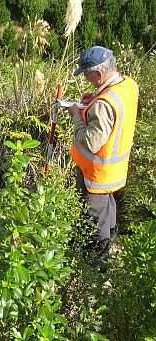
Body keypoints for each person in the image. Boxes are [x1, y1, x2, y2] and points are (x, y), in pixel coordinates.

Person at [68, 46, 139, 264]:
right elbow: (115, 111)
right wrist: (94, 99)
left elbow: (91, 141)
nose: (87, 79)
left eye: (88, 75)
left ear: (98, 74)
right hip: (116, 170)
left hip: (97, 174)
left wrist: (76, 116)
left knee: (96, 220)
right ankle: (108, 246)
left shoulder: (104, 105)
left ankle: (98, 265)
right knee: (109, 213)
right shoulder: (128, 85)